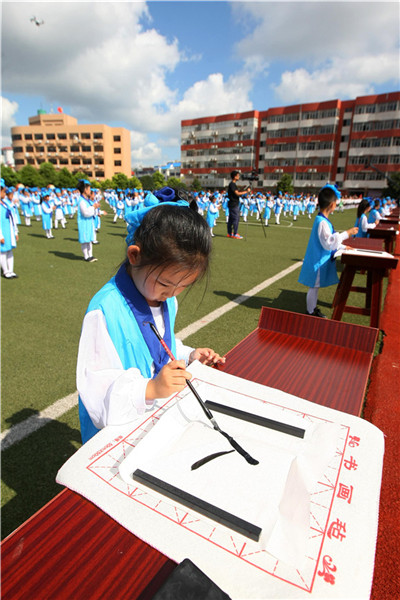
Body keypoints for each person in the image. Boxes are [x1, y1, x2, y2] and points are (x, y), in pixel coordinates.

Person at [76, 188, 225, 443]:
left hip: (150, 419)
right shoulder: (105, 311)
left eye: (183, 286)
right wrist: (151, 388)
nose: (172, 293)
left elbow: (159, 346)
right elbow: (96, 390)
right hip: (115, 432)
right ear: (134, 256)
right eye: (166, 284)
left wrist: (188, 356)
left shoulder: (166, 299)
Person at [298, 184, 358, 318]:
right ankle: (310, 311)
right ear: (331, 204)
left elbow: (330, 240)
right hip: (318, 261)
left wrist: (343, 247)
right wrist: (347, 233)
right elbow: (329, 242)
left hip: (319, 259)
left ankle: (312, 309)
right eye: (336, 202)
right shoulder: (322, 222)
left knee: (315, 287)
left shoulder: (323, 220)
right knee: (313, 287)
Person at [76, 179, 99, 262]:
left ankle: (91, 255)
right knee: (85, 241)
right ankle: (86, 256)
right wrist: (93, 207)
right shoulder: (81, 201)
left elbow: (91, 211)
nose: (90, 191)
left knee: (89, 240)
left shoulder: (87, 200)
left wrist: (94, 208)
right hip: (84, 223)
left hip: (89, 223)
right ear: (85, 190)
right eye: (89, 189)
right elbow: (85, 213)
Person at [0, 179, 19, 278]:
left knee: (10, 250)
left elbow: (12, 218)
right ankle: (5, 271)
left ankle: (11, 270)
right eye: (3, 191)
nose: (5, 193)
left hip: (9, 230)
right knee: (3, 251)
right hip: (3, 231)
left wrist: (15, 232)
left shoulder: (5, 203)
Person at [226, 171, 250, 239]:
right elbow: (237, 193)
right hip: (234, 204)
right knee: (236, 219)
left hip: (232, 203)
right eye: (238, 175)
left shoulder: (232, 184)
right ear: (235, 176)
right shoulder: (232, 184)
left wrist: (243, 189)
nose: (239, 177)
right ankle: (235, 233)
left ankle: (230, 233)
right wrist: (246, 191)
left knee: (231, 219)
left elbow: (236, 192)